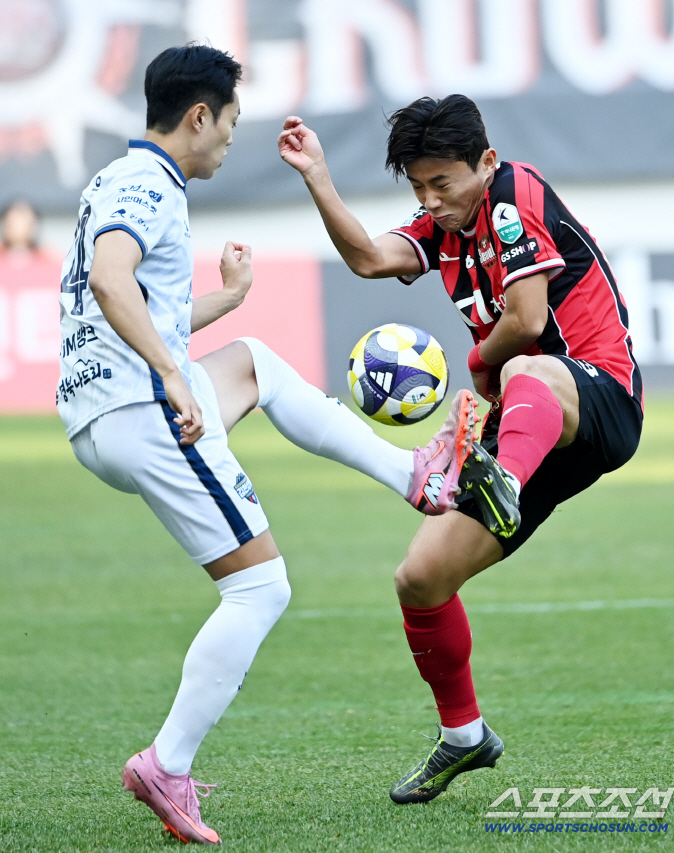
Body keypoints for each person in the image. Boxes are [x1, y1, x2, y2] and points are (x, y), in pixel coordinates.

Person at [57, 48, 478, 844]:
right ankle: (165, 763)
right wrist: (173, 382)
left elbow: (140, 304)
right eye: (229, 126)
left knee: (255, 362)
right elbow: (113, 282)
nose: (228, 143)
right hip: (142, 408)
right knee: (261, 588)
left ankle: (412, 474)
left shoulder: (116, 178)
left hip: (101, 408)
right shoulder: (150, 187)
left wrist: (230, 297)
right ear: (198, 117)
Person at [279, 94, 643, 804]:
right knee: (419, 577)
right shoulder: (442, 226)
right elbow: (367, 257)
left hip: (595, 397)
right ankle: (465, 737)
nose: (430, 199)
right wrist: (317, 175)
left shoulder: (513, 195)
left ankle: (499, 477)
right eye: (417, 185)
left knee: (517, 365)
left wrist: (476, 375)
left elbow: (529, 318)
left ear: (485, 162)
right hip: (525, 428)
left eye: (441, 182)